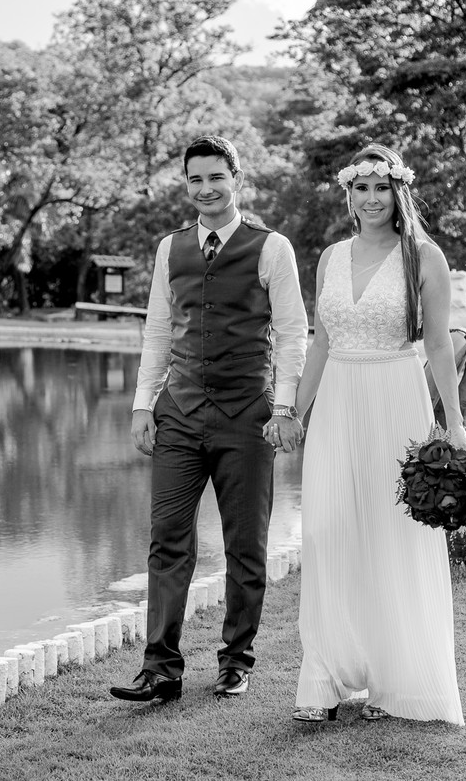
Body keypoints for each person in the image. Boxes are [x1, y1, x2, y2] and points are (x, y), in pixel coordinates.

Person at [109, 135, 309, 704]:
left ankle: (235, 661)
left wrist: (284, 405)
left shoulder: (272, 248)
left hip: (247, 415)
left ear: (236, 178)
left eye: (215, 178)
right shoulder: (170, 249)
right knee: (167, 540)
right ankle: (161, 669)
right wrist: (142, 406)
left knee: (246, 544)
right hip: (179, 413)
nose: (205, 189)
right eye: (195, 180)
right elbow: (155, 330)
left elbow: (294, 333)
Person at [290, 144, 466, 724]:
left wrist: (456, 425)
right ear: (348, 195)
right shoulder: (330, 256)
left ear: (399, 193)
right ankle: (325, 677)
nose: (371, 199)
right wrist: (293, 410)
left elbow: (438, 344)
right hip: (338, 400)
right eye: (361, 188)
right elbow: (320, 341)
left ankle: (397, 683)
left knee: (394, 536)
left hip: (396, 396)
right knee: (327, 532)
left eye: (381, 187)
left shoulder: (423, 256)